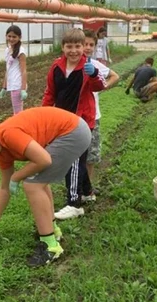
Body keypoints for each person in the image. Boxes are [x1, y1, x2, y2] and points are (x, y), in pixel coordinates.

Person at [0, 107, 92, 267]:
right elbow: (4, 188)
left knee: (32, 184)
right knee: (38, 180)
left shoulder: (7, 133)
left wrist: (16, 177)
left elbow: (44, 160)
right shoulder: (2, 152)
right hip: (73, 130)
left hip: (73, 132)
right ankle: (53, 231)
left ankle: (50, 246)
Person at [41, 28, 106, 220]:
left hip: (82, 121)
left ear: (83, 47)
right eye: (69, 46)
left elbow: (100, 86)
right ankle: (87, 192)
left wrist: (94, 74)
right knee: (78, 159)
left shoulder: (88, 67)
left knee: (74, 159)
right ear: (63, 47)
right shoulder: (56, 67)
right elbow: (50, 92)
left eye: (78, 46)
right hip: (62, 121)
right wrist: (43, 113)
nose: (74, 51)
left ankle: (74, 202)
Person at [83, 29, 120, 199]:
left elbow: (115, 76)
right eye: (85, 44)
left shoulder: (96, 66)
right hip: (76, 117)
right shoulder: (72, 65)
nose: (87, 47)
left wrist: (102, 86)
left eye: (91, 45)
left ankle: (88, 187)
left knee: (91, 154)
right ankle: (77, 186)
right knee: (77, 155)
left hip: (93, 117)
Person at [0, 25, 28, 115]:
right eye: (9, 36)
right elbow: (8, 69)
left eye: (14, 37)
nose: (11, 39)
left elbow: (24, 71)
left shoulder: (21, 51)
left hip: (17, 85)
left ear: (19, 37)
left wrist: (23, 89)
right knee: (17, 111)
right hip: (12, 84)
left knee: (18, 113)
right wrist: (4, 87)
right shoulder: (8, 50)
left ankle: (20, 127)